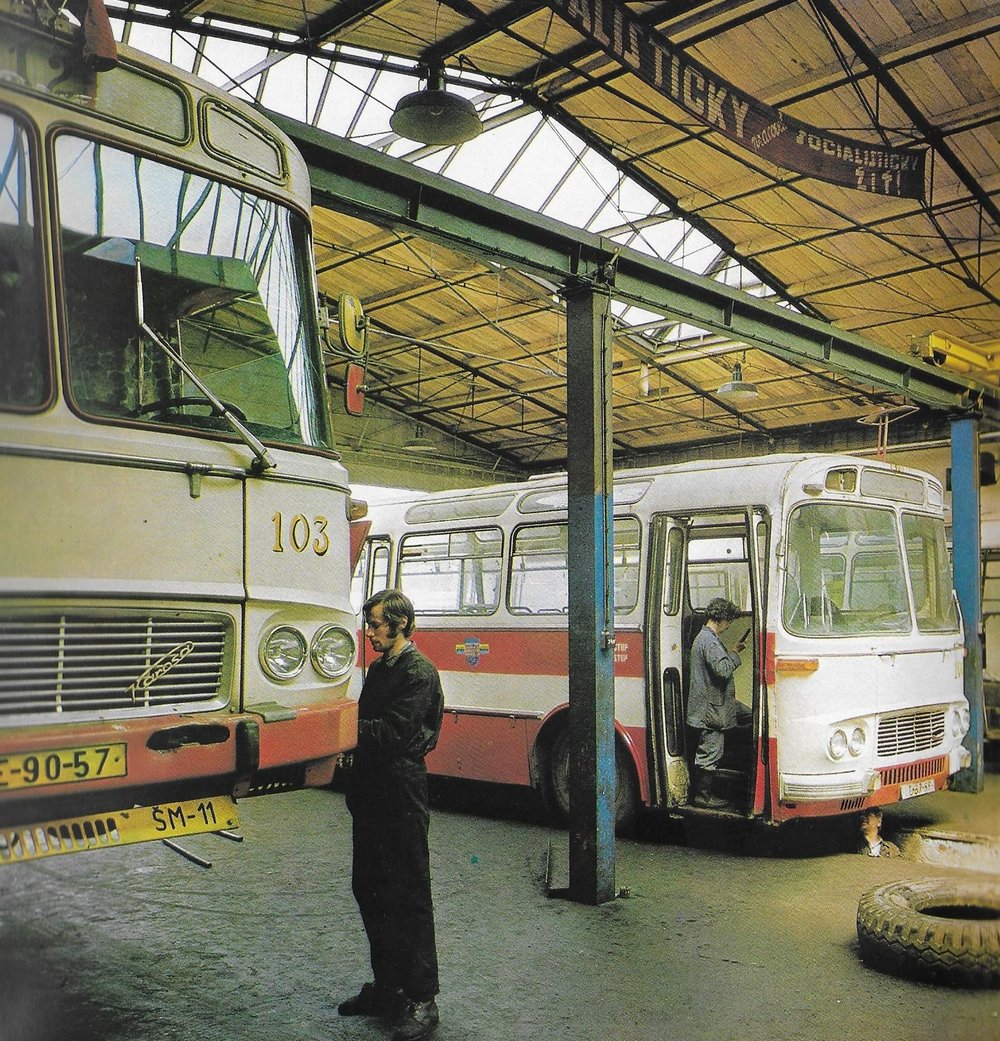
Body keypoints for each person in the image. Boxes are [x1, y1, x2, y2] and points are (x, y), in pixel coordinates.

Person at [339, 589, 445, 1041]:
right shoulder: (382, 669)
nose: (369, 631)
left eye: (376, 623)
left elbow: (395, 732)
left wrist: (341, 729)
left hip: (401, 795)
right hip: (372, 794)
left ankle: (423, 998)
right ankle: (388, 987)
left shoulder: (419, 673)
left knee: (408, 893)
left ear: (400, 624)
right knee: (370, 887)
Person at [686, 597, 752, 809]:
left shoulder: (705, 639)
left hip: (719, 702)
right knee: (710, 752)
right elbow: (723, 670)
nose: (729, 626)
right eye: (729, 622)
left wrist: (733, 650)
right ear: (721, 619)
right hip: (711, 708)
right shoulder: (710, 641)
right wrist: (734, 654)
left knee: (752, 716)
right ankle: (703, 797)